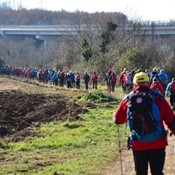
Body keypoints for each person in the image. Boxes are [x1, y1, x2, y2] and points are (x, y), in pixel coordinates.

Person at [113, 72, 175, 175]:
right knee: (157, 172)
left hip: (138, 143)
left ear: (134, 84)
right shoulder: (158, 98)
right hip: (158, 143)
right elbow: (171, 120)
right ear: (148, 83)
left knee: (140, 172)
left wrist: (114, 115)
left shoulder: (127, 99)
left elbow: (118, 120)